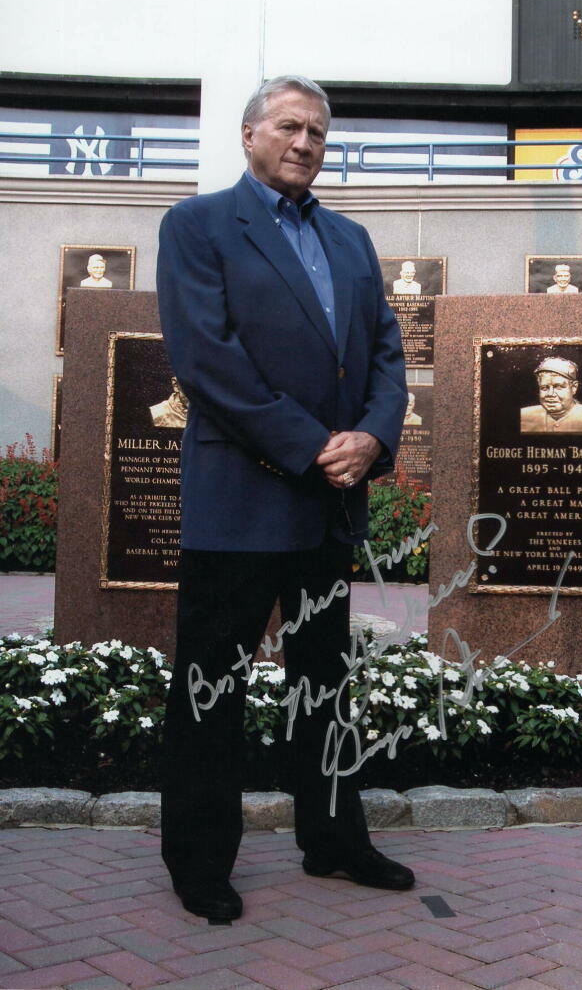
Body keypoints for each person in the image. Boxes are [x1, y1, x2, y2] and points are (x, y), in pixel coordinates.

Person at [156, 75, 411, 923]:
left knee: (325, 686)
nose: (305, 142)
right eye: (290, 126)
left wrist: (372, 438)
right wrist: (313, 446)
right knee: (209, 691)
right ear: (249, 134)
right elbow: (209, 361)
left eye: (319, 132)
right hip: (241, 499)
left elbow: (385, 355)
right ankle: (199, 862)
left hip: (328, 505)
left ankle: (334, 839)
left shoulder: (352, 239)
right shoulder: (196, 227)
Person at [520, 356, 582, 433]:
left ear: (574, 387)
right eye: (544, 388)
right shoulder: (523, 416)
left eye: (558, 387)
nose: (550, 394)